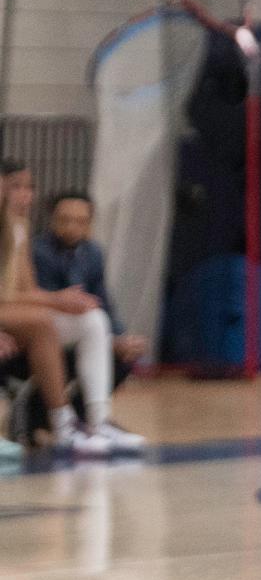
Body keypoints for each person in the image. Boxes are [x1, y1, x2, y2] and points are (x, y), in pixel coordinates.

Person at [0, 161, 144, 454]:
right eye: (15, 186)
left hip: (15, 311)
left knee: (93, 320)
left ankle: (96, 421)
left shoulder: (18, 225)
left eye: (29, 187)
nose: (24, 194)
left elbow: (24, 290)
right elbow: (7, 293)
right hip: (11, 313)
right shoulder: (37, 243)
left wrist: (64, 300)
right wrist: (57, 300)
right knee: (42, 322)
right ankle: (61, 421)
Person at [33, 191, 147, 417]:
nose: (71, 227)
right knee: (95, 323)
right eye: (64, 220)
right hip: (47, 329)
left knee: (121, 351)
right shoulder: (38, 251)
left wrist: (120, 337)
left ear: (89, 223)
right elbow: (39, 302)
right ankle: (70, 418)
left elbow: (103, 300)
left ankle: (89, 420)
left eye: (80, 221)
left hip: (85, 327)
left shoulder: (93, 253)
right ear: (52, 219)